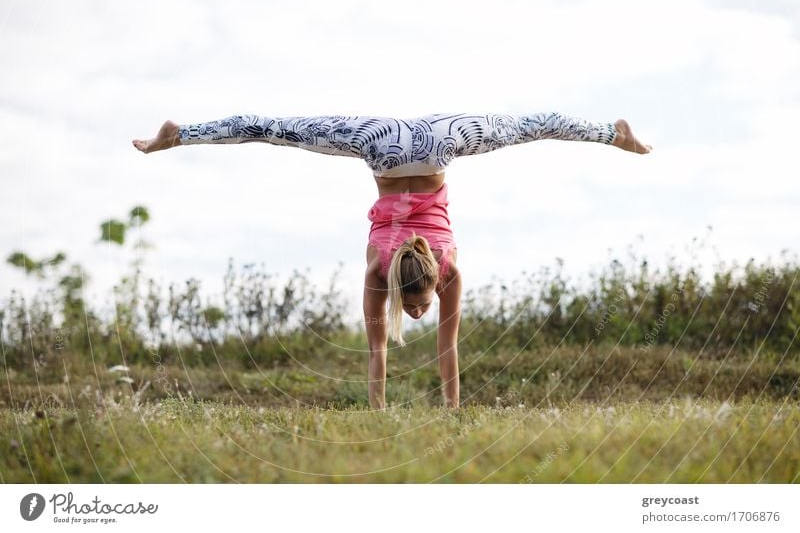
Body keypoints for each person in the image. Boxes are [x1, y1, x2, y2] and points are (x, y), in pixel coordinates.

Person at [132, 112, 652, 409]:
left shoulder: (421, 268)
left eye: (418, 307)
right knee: (531, 127)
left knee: (275, 129)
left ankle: (179, 136)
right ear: (425, 283)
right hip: (423, 140)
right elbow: (440, 349)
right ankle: (614, 134)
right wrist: (446, 410)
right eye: (422, 305)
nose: (422, 312)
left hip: (396, 142)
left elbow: (381, 351)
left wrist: (388, 410)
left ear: (421, 281)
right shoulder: (397, 268)